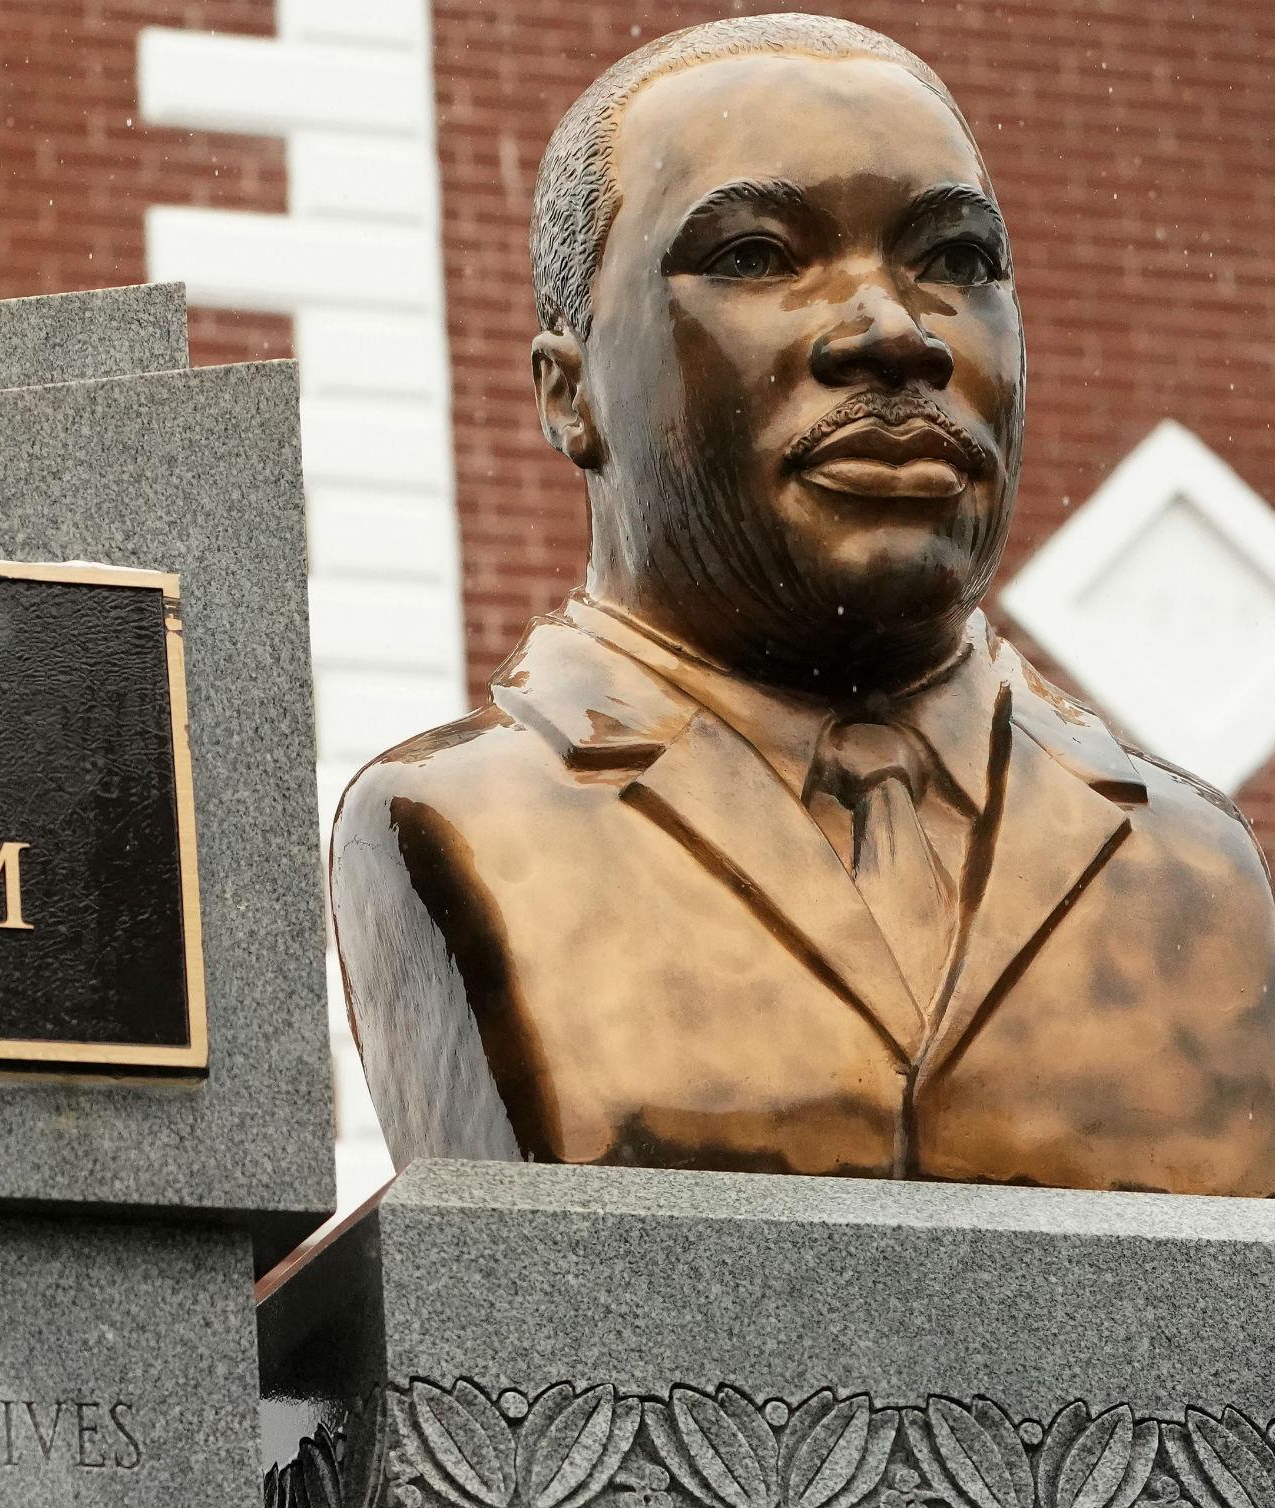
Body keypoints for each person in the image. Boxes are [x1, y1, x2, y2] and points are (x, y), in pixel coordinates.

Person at [330, 14, 1275, 1195]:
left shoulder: (1192, 871)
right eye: (756, 256)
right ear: (566, 394)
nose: (893, 333)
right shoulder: (454, 827)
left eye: (953, 261)